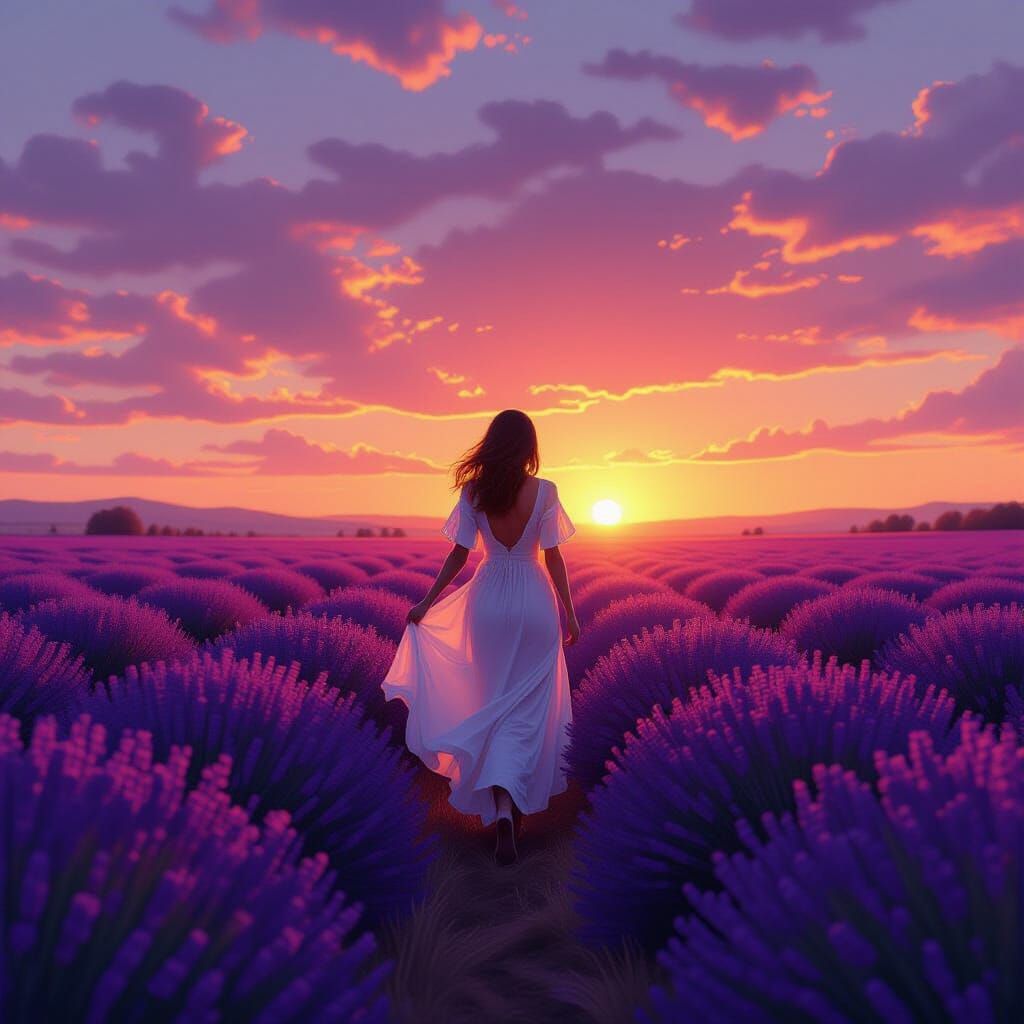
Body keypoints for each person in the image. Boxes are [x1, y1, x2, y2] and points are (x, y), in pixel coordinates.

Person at [381, 409, 580, 865]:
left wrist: (426, 603)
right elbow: (554, 559)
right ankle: (513, 803)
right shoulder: (545, 490)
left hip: (487, 601)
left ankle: (503, 807)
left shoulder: (475, 491)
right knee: (526, 711)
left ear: (492, 442)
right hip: (534, 601)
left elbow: (458, 555)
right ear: (529, 445)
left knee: (492, 704)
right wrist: (569, 612)